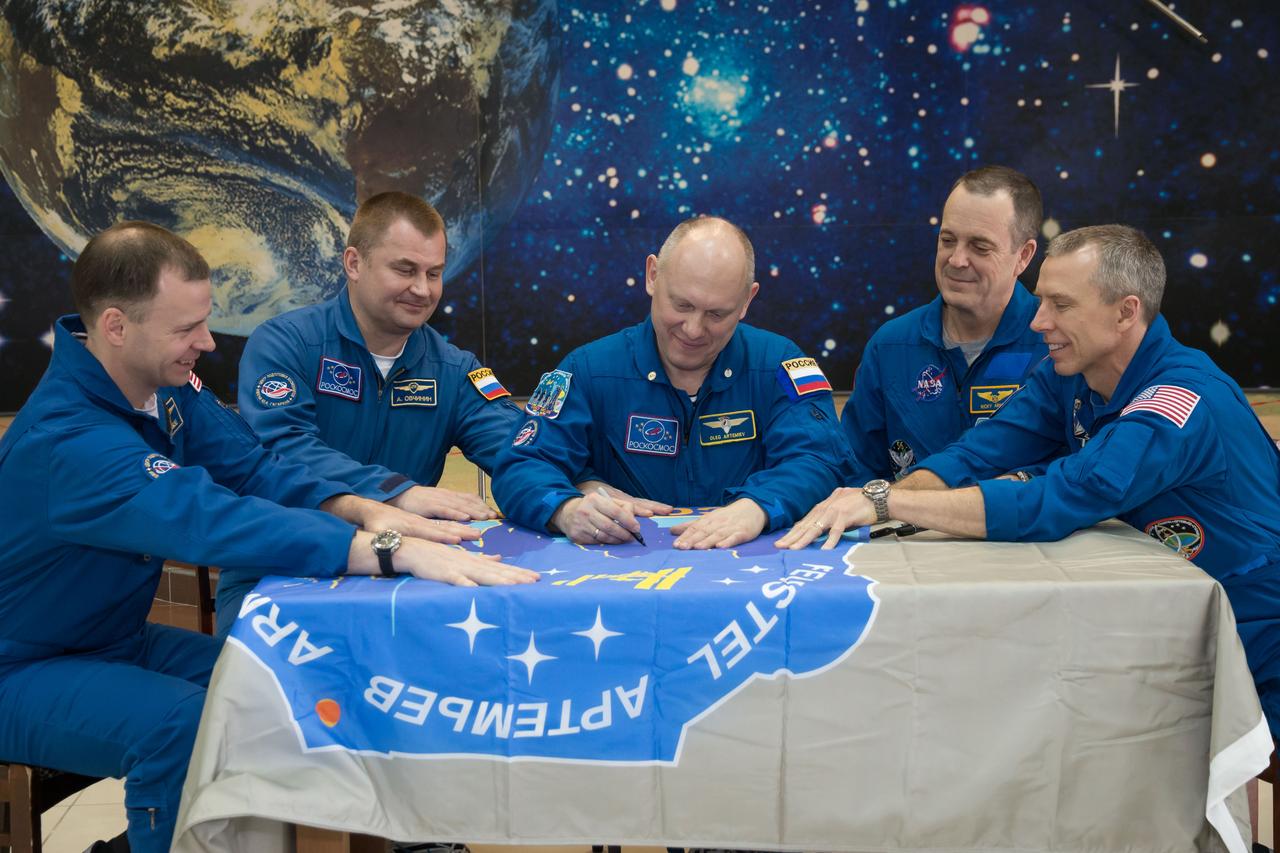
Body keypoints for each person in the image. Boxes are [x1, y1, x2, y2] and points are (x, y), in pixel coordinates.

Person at [0, 222, 537, 853]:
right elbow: (211, 518)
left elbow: (253, 467)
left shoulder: (162, 390)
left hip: (112, 640)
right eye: (186, 328)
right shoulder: (69, 439)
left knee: (284, 684)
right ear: (117, 327)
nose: (207, 341)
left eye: (204, 321)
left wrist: (362, 509)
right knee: (182, 728)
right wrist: (384, 552)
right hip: (24, 666)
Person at [778, 224, 1280, 734]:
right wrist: (879, 505)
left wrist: (888, 501)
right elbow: (982, 450)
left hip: (1255, 638)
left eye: (1061, 305)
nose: (1039, 321)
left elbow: (1061, 496)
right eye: (1041, 301)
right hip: (1168, 633)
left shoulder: (1179, 401)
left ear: (1126, 312)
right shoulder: (1071, 373)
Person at [235, 191, 528, 623]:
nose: (422, 290)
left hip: (405, 573)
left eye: (434, 273)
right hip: (281, 566)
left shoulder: (454, 369)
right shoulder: (286, 343)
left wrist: (577, 491)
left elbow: (520, 449)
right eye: (405, 270)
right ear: (354, 263)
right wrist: (398, 493)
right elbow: (282, 449)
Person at [492, 215, 852, 550]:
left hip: (749, 571)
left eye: (716, 314)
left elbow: (822, 459)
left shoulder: (780, 366)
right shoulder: (587, 370)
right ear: (652, 276)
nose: (693, 330)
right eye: (682, 305)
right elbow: (520, 465)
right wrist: (567, 509)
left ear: (747, 301)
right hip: (624, 576)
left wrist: (758, 507)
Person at [842, 165, 1049, 483]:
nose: (956, 260)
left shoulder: (1054, 343)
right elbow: (854, 470)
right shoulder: (891, 346)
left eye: (980, 247)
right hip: (903, 516)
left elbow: (1078, 468)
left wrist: (1018, 486)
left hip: (1020, 517)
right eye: (948, 240)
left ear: (1024, 255)